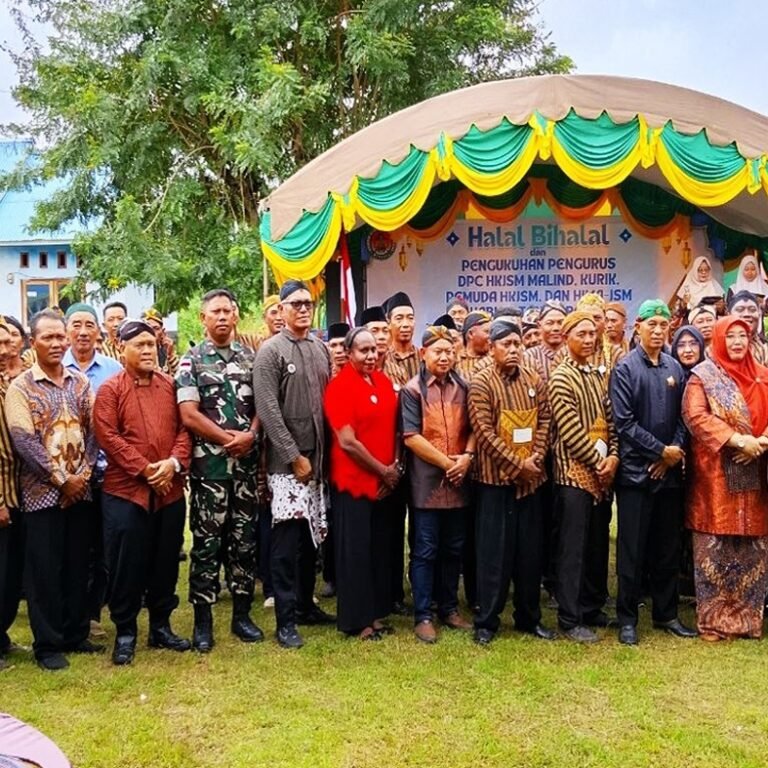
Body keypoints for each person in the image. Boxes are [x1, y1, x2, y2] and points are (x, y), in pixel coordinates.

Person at [5, 309, 100, 670]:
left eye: (61, 336)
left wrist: (84, 475)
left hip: (80, 492)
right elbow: (24, 441)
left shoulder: (80, 383)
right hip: (40, 495)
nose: (58, 343)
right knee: (43, 570)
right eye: (49, 337)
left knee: (78, 565)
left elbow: (95, 432)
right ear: (33, 342)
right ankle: (47, 645)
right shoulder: (22, 387)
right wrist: (62, 480)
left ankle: (76, 634)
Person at [94, 319, 193, 665]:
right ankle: (125, 631)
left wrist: (172, 465)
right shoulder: (110, 389)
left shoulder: (170, 385)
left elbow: (185, 430)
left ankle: (161, 627)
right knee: (126, 564)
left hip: (169, 490)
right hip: (126, 493)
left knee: (165, 561)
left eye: (152, 344)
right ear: (122, 349)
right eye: (140, 345)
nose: (148, 350)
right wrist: (146, 470)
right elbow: (109, 437)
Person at [176, 289, 263, 652]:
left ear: (236, 315)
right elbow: (189, 414)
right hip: (210, 468)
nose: (223, 317)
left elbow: (264, 404)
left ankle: (242, 616)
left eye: (228, 310)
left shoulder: (251, 358)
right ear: (203, 318)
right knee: (207, 545)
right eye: (216, 312)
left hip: (245, 468)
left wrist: (253, 434)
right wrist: (230, 439)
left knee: (244, 542)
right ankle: (203, 622)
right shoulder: (191, 360)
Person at [609, 300, 696, 645]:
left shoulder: (675, 366)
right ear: (638, 328)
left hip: (669, 475)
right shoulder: (626, 368)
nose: (658, 330)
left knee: (667, 549)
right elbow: (624, 423)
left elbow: (683, 419)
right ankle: (627, 618)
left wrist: (671, 456)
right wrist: (660, 451)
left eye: (663, 324)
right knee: (631, 550)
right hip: (635, 475)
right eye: (651, 324)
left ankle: (666, 613)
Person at [254, 280, 335, 649]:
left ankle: (305, 605)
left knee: (310, 540)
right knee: (286, 543)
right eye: (295, 303)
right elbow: (268, 410)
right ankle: (286, 619)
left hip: (318, 463)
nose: (303, 309)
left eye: (308, 303)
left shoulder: (320, 349)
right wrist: (293, 456)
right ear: (282, 310)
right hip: (288, 466)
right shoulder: (270, 351)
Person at [468, 319, 555, 645]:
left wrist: (535, 458)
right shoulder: (481, 383)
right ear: (491, 348)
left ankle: (528, 618)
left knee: (530, 554)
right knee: (494, 554)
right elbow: (485, 433)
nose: (514, 350)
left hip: (531, 482)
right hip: (495, 483)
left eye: (518, 344)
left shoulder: (534, 378)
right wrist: (519, 464)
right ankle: (487, 621)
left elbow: (545, 417)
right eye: (507, 344)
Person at [682, 316, 768, 641]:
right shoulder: (702, 377)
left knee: (752, 547)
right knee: (715, 549)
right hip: (715, 476)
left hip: (757, 472)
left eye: (741, 336)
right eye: (729, 336)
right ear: (718, 339)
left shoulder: (763, 375)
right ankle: (714, 621)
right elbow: (696, 417)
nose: (736, 342)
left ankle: (748, 622)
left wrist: (760, 443)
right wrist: (737, 440)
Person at [324, 327, 399, 640]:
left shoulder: (382, 381)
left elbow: (395, 428)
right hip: (354, 481)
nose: (370, 355)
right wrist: (383, 470)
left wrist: (393, 468)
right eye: (363, 350)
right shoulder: (339, 387)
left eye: (373, 350)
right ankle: (358, 621)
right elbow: (348, 441)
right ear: (349, 354)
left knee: (378, 550)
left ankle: (376, 613)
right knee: (354, 552)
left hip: (384, 482)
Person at [401, 325, 474, 643]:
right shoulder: (412, 389)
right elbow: (411, 437)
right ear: (423, 354)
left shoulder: (464, 386)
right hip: (427, 484)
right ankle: (423, 614)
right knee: (425, 550)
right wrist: (448, 463)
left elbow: (475, 426)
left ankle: (449, 608)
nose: (444, 357)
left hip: (459, 482)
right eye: (438, 351)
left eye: (449, 351)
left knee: (454, 549)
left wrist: (467, 457)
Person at [548, 311, 619, 643]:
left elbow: (611, 418)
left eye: (593, 334)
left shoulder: (596, 374)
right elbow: (571, 432)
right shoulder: (561, 377)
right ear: (566, 338)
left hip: (601, 473)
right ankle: (569, 616)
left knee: (595, 544)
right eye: (582, 334)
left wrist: (615, 456)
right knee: (572, 548)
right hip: (573, 476)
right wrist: (598, 462)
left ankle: (591, 607)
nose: (590, 339)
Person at [63, 302, 123, 640]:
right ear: (67, 330)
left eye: (89, 325)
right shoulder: (56, 368)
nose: (83, 331)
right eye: (76, 325)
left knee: (104, 546)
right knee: (75, 546)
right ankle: (74, 613)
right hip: (68, 478)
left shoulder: (114, 369)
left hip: (108, 473)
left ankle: (94, 613)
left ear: (99, 331)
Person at [670, 324, 706, 598]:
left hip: (703, 461)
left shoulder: (709, 377)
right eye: (681, 345)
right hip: (670, 456)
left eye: (693, 344)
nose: (688, 350)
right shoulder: (668, 375)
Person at [0, 318, 24, 670]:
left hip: (20, 493)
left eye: (7, 342)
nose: (3, 350)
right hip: (1, 496)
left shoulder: (13, 383)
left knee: (10, 571)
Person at [383, 292, 419, 388]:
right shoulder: (383, 360)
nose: (406, 324)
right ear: (389, 323)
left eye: (410, 318)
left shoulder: (424, 358)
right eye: (399, 318)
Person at [726, 290, 768, 364]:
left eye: (752, 310)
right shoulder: (719, 347)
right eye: (740, 310)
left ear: (759, 314)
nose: (747, 314)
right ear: (728, 314)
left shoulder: (765, 349)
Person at [455, 311, 492, 383]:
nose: (491, 336)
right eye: (487, 332)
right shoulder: (455, 360)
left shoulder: (495, 360)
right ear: (471, 334)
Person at [142, 308, 179, 376]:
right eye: (147, 328)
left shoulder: (166, 351)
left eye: (156, 328)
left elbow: (179, 377)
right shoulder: (135, 352)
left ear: (162, 331)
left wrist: (170, 355)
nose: (151, 332)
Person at [361, 305, 390, 371]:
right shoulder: (355, 371)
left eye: (385, 331)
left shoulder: (398, 372)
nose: (381, 337)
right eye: (374, 331)